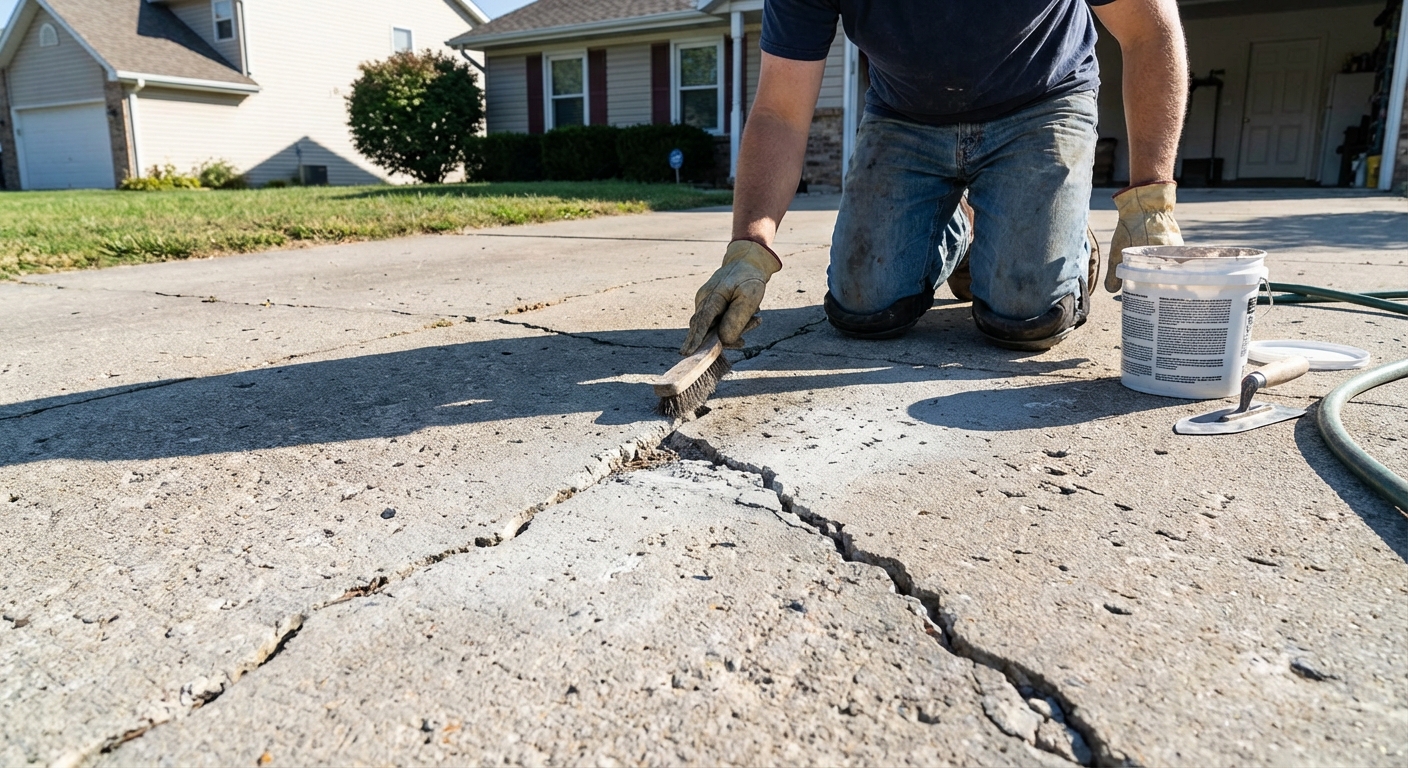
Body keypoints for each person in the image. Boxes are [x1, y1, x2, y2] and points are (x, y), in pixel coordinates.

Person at [681, 0, 1187, 355]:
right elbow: (780, 112)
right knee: (863, 307)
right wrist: (749, 246)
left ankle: (1061, 234)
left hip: (1039, 102)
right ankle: (963, 230)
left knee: (1025, 314)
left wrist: (1150, 200)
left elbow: (1149, 31)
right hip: (905, 115)